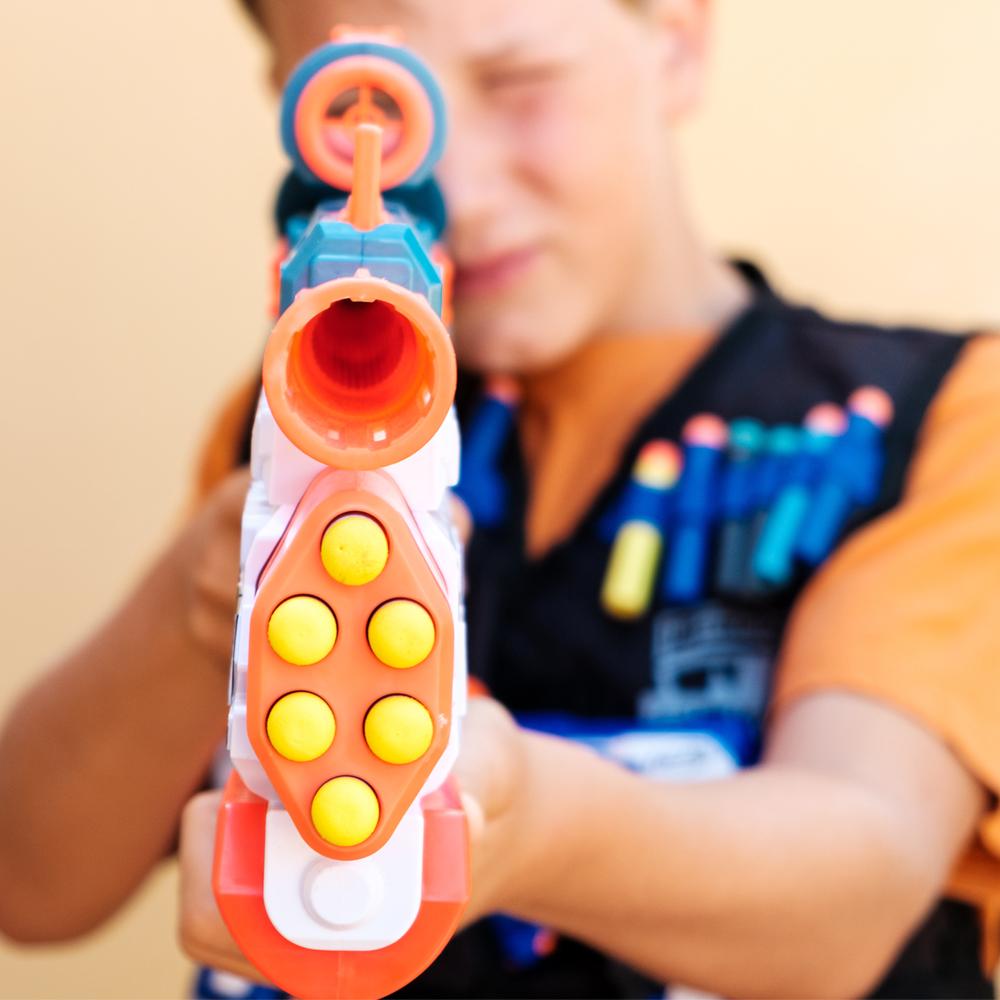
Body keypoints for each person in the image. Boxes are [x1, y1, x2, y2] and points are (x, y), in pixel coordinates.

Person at [2, 1, 999, 997]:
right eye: (367, 115)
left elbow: (856, 896)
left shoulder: (935, 419)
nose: (459, 190)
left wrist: (524, 827)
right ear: (295, 113)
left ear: (677, 37)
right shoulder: (298, 406)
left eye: (519, 82)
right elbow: (33, 881)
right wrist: (200, 604)